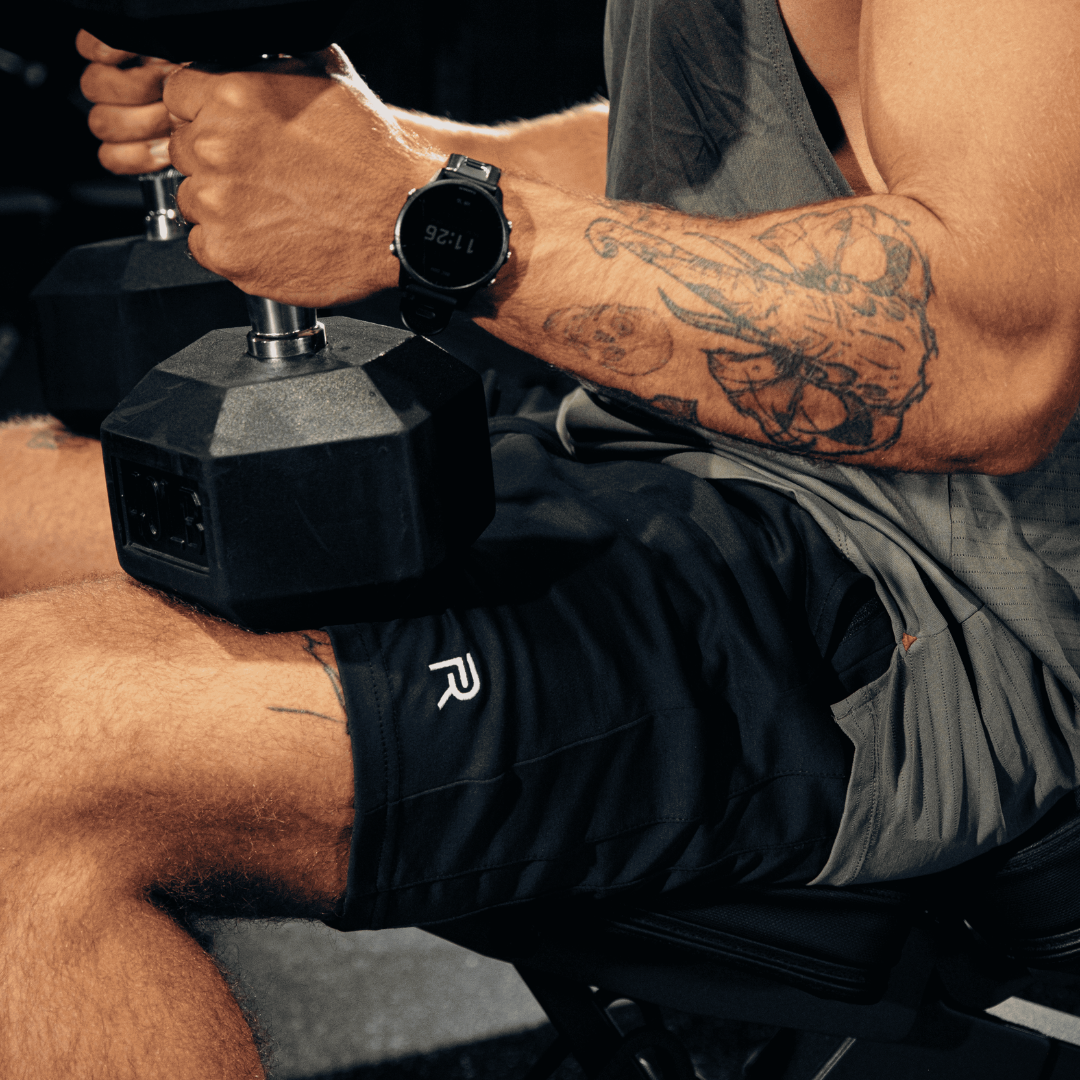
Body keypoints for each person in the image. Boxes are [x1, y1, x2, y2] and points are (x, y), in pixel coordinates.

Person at [3, 0, 1079, 1075]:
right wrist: (338, 155)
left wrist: (417, 215)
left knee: (27, 758)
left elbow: (992, 347)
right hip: (659, 457)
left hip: (929, 599)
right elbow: (710, 163)